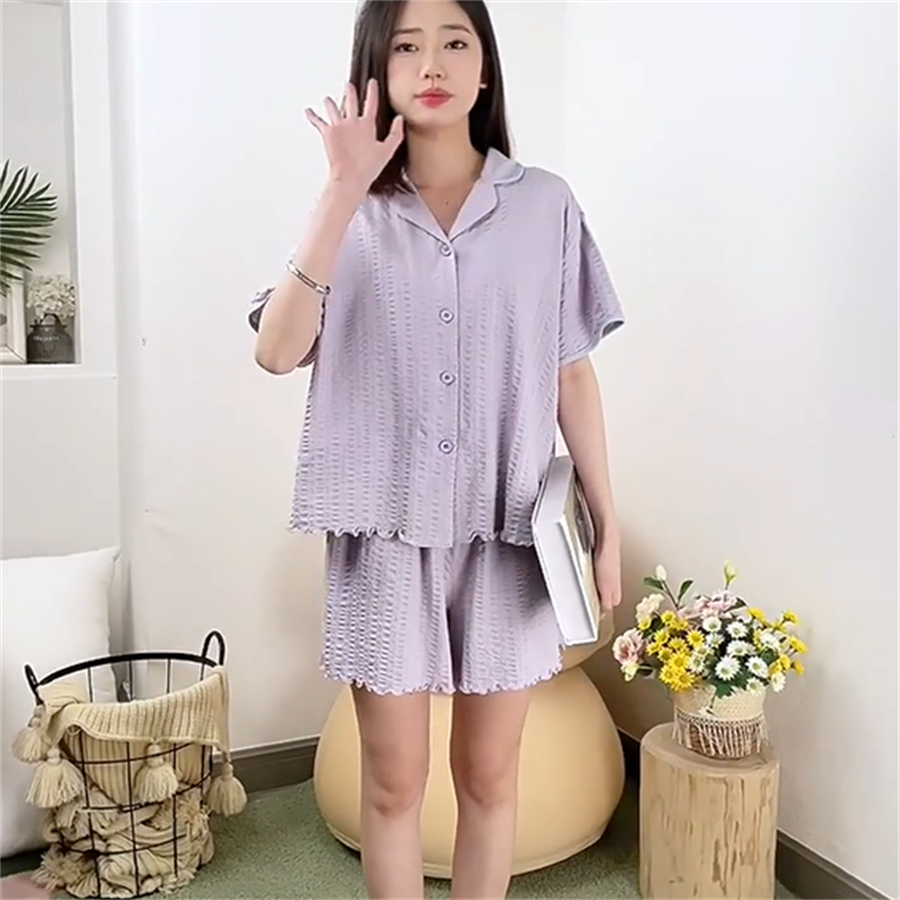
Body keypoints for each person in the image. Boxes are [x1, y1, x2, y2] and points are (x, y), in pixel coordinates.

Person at [249, 0, 625, 897]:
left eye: (455, 42)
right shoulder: (350, 213)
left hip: (509, 533)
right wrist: (340, 191)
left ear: (484, 68)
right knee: (393, 786)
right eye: (407, 46)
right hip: (383, 533)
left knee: (491, 781)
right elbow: (276, 350)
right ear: (376, 72)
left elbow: (572, 374)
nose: (432, 64)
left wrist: (606, 526)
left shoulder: (545, 205)